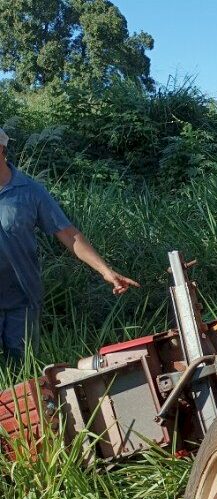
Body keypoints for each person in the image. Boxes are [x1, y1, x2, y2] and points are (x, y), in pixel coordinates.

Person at [0, 127, 138, 363]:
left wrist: (106, 270)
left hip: (22, 302)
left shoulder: (30, 192)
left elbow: (68, 234)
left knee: (22, 375)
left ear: (1, 150)